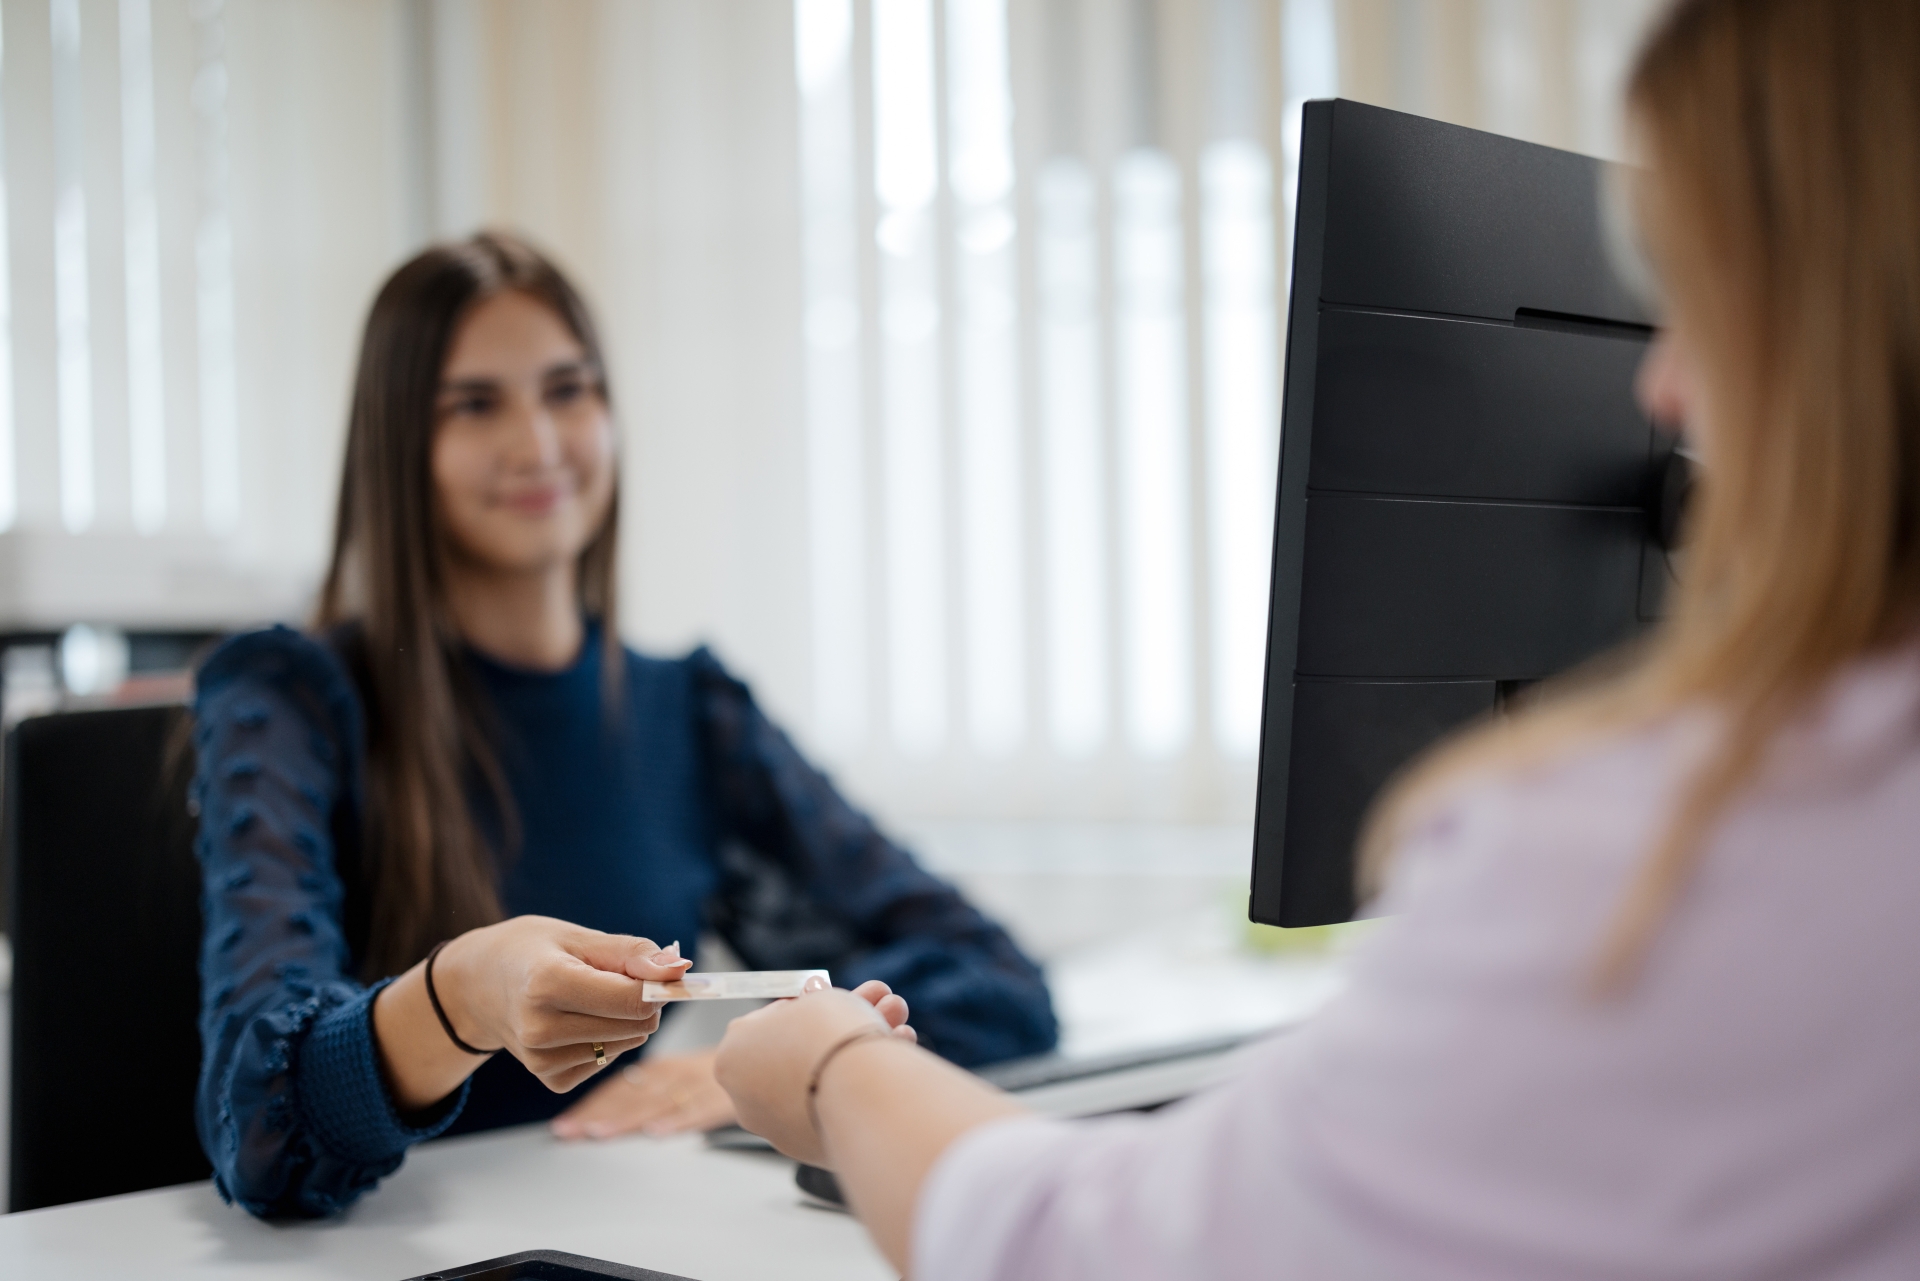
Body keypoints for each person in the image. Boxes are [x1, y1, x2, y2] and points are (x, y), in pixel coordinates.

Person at [713, 1, 1920, 1276]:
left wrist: (834, 1069)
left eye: (1701, 294)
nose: (1661, 392)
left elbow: (1088, 1252)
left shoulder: (1639, 869)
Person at [189, 232, 1055, 1219]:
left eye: (569, 390)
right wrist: (457, 998)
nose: (540, 443)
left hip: (613, 1229)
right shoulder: (286, 696)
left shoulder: (691, 709)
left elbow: (998, 977)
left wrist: (811, 1053)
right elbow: (259, 1123)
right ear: (399, 447)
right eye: (476, 404)